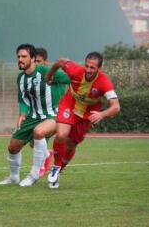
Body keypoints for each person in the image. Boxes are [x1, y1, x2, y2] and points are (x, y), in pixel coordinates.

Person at [0, 43, 69, 187]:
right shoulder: (21, 78)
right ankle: (13, 177)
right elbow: (23, 100)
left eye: (24, 56)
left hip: (53, 115)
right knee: (13, 147)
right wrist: (22, 114)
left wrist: (74, 99)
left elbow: (72, 79)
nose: (20, 59)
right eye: (18, 56)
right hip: (32, 116)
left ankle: (34, 175)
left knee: (39, 132)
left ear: (33, 58)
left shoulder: (48, 71)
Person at [45, 52, 120, 188]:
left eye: (92, 68)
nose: (89, 70)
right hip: (69, 103)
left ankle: (59, 172)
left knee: (71, 145)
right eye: (87, 66)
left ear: (99, 69)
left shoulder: (104, 82)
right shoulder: (75, 70)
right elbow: (60, 61)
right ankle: (55, 168)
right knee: (61, 135)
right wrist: (49, 75)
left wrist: (102, 114)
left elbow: (116, 106)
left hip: (86, 114)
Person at [33, 47, 54, 177]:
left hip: (51, 114)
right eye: (34, 60)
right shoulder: (32, 76)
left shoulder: (53, 75)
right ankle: (47, 154)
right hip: (37, 113)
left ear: (46, 62)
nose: (36, 63)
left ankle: (40, 167)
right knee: (32, 142)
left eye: (39, 61)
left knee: (38, 135)